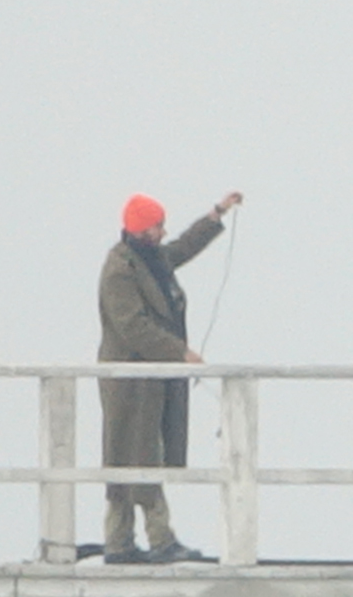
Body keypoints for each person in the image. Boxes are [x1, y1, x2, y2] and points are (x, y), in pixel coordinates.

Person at [97, 190, 242, 564]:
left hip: (151, 379)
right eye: (158, 226)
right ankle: (154, 539)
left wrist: (216, 214)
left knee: (137, 455)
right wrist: (179, 352)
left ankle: (120, 541)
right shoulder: (120, 270)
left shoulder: (149, 259)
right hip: (130, 381)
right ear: (142, 230)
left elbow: (183, 248)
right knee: (132, 456)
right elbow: (133, 327)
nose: (163, 232)